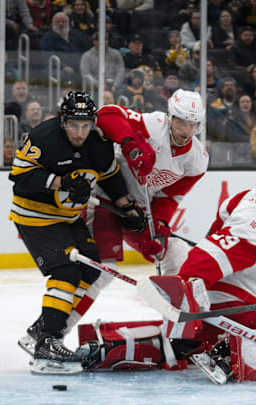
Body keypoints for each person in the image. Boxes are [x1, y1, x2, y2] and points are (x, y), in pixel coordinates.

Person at [12, 91, 146, 374]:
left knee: (91, 269)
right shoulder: (43, 137)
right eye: (73, 124)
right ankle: (48, 342)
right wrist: (61, 182)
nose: (79, 132)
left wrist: (128, 207)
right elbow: (20, 177)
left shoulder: (99, 144)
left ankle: (42, 329)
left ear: (93, 123)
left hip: (68, 218)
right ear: (63, 121)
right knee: (66, 272)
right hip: (35, 216)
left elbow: (110, 177)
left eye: (85, 125)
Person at [63, 89, 209, 332]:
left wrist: (161, 225)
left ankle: (179, 331)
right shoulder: (153, 125)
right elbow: (107, 114)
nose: (186, 130)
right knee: (103, 270)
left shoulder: (196, 160)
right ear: (170, 117)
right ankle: (55, 332)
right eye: (181, 122)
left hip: (137, 215)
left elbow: (170, 197)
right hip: (107, 198)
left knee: (176, 252)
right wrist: (131, 144)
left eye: (192, 125)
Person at [165, 164, 256, 383]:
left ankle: (191, 342)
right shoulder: (253, 231)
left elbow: (225, 211)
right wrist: (191, 294)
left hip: (253, 289)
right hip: (237, 294)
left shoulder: (246, 198)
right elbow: (203, 259)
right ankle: (224, 353)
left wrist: (214, 234)